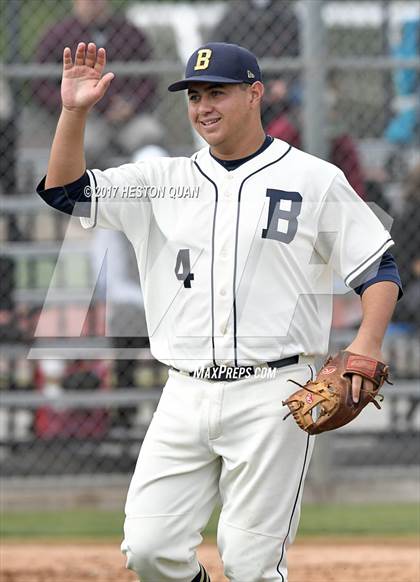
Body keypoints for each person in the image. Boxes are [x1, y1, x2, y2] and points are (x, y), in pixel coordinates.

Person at [37, 41, 402, 582]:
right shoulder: (160, 181)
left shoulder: (313, 178)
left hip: (274, 393)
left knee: (252, 565)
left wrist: (365, 344)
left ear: (254, 94)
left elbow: (379, 269)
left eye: (218, 93)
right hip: (183, 392)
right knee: (148, 549)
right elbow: (66, 192)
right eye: (194, 95)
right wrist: (74, 111)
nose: (204, 105)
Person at [33, 0, 159, 168]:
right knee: (86, 145)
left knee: (150, 136)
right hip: (85, 117)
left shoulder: (129, 32)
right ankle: (90, 193)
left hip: (128, 116)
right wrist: (74, 105)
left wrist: (132, 104)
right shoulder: (58, 34)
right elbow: (39, 84)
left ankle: (142, 192)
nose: (93, 3)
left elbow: (150, 77)